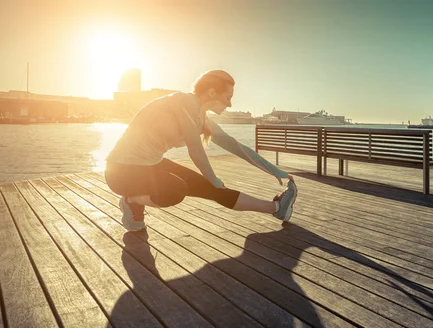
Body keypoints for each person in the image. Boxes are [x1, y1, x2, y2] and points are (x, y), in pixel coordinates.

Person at [105, 70, 297, 232]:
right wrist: (213, 180)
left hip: (151, 166)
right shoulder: (181, 101)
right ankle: (131, 200)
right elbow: (195, 149)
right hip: (120, 172)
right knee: (176, 189)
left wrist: (274, 170)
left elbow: (235, 146)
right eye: (228, 97)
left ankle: (275, 208)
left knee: (213, 190)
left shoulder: (202, 119)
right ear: (212, 92)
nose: (230, 104)